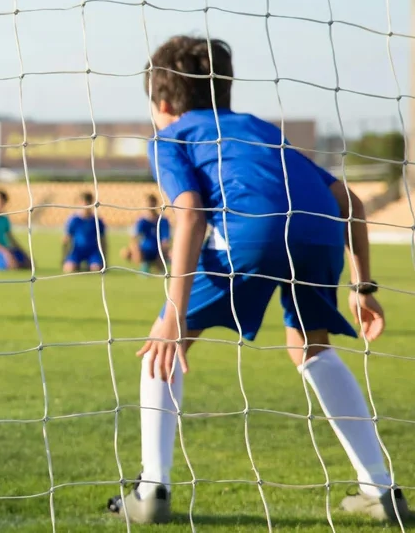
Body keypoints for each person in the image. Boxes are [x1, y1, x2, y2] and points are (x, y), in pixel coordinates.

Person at [108, 36, 404, 524]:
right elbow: (350, 200)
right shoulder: (260, 130)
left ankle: (152, 487)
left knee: (164, 341)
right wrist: (363, 286)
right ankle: (381, 489)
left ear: (161, 104)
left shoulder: (169, 137)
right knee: (312, 347)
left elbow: (189, 211)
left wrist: (173, 315)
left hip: (255, 230)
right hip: (317, 228)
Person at [122, 193, 171, 273]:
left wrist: (162, 252)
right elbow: (134, 238)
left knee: (173, 254)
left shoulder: (163, 220)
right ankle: (144, 264)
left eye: (152, 203)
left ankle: (161, 266)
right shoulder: (141, 221)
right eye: (148, 203)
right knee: (125, 252)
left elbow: (166, 240)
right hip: (145, 250)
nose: (150, 206)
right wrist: (136, 249)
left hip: (159, 250)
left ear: (156, 203)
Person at [62, 191, 107, 272]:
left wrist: (105, 259)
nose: (86, 204)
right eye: (83, 202)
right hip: (77, 251)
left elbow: (103, 240)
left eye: (88, 202)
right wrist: (64, 257)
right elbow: (66, 239)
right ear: (79, 203)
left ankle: (89, 265)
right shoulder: (74, 220)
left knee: (96, 269)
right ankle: (77, 264)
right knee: (69, 269)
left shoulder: (97, 221)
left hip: (92, 251)